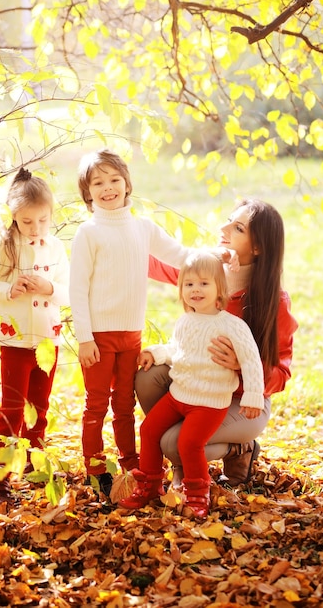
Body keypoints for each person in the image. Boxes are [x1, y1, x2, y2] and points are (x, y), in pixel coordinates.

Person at [136, 198, 298, 488]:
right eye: (228, 219)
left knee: (172, 442)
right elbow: (153, 264)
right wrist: (113, 231)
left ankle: (239, 449)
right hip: (196, 390)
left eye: (237, 228)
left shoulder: (274, 302)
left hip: (244, 401)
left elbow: (281, 377)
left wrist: (242, 366)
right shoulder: (205, 276)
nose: (223, 228)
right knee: (147, 377)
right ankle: (187, 456)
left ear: (258, 246)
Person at [69, 148, 196, 497]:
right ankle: (95, 470)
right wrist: (84, 338)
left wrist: (217, 256)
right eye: (98, 182)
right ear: (87, 192)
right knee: (96, 405)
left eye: (114, 179)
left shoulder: (143, 228)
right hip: (97, 336)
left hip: (131, 335)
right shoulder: (88, 233)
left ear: (127, 184)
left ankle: (130, 465)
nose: (108, 188)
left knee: (124, 404)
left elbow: (181, 255)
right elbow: (77, 288)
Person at [118, 251, 264, 518]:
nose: (195, 290)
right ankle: (149, 485)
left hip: (209, 403)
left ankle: (197, 493)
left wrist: (253, 395)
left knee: (189, 442)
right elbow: (178, 350)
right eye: (189, 284)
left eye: (204, 284)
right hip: (179, 396)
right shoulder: (186, 321)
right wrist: (156, 353)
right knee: (149, 430)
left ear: (220, 288)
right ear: (181, 289)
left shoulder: (232, 325)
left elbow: (251, 360)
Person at [0, 167, 70, 507]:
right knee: (12, 411)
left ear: (50, 215)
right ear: (14, 217)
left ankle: (33, 463)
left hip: (47, 342)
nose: (35, 228)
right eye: (27, 222)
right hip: (15, 344)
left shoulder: (55, 248)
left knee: (39, 408)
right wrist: (9, 288)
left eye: (42, 220)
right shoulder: (4, 246)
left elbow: (70, 292)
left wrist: (51, 287)